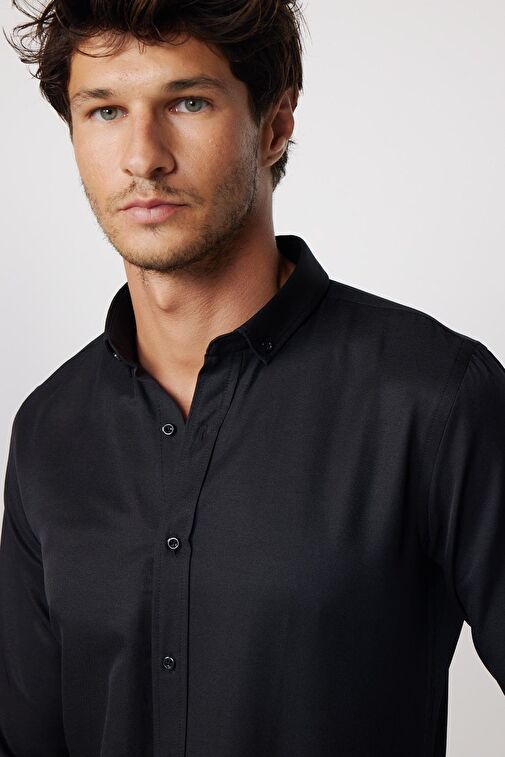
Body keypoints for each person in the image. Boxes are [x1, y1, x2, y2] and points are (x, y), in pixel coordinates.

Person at [1, 2, 504, 756]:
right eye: (105, 110)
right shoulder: (49, 429)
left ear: (274, 124)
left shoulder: (432, 399)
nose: (143, 157)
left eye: (187, 102)